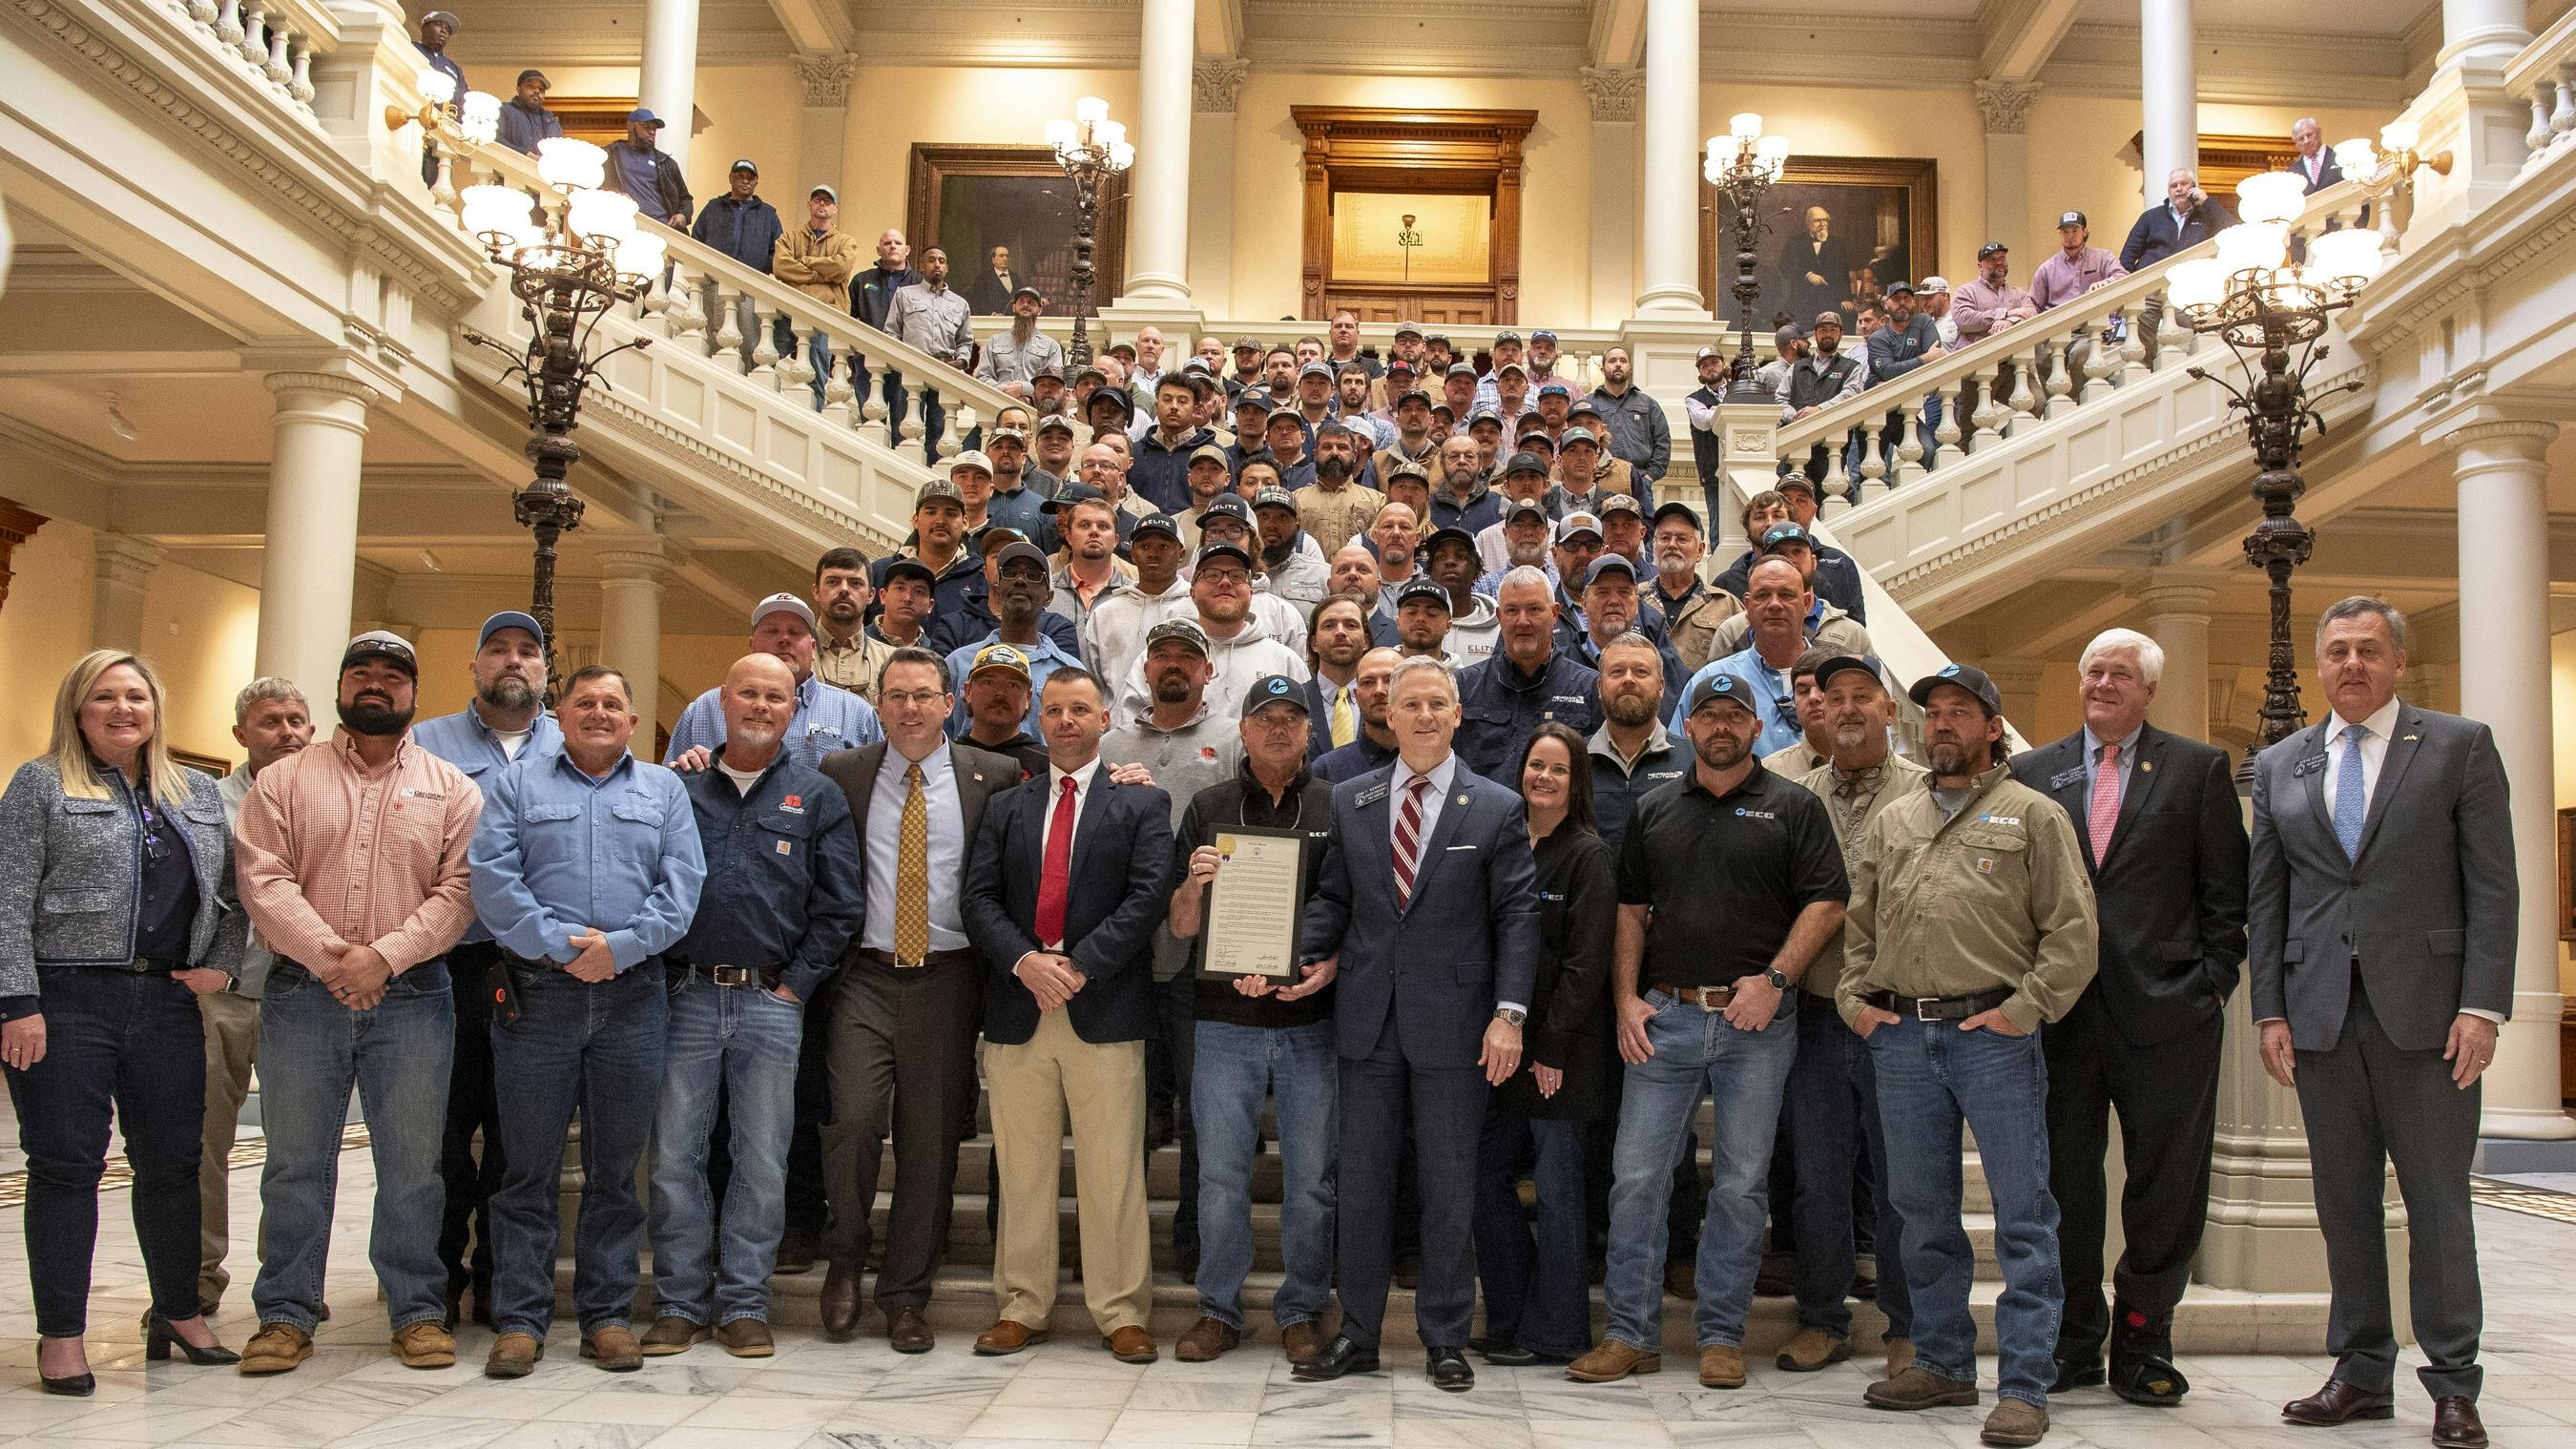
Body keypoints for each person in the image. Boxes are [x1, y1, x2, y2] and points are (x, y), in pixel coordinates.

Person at [2250, 597, 2511, 1449]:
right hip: (2320, 1017)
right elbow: (2269, 897)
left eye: (2368, 649)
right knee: (2344, 1204)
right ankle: (2361, 1371)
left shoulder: (2458, 746)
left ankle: (2454, 1383)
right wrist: (2269, 1008)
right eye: (2337, 651)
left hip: (2432, 1021)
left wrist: (2482, 1005)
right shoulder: (2282, 762)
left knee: (2438, 1205)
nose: (2352, 663)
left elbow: (2493, 886)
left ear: (2398, 661)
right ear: (2320, 665)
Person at [1839, 662, 2097, 1449]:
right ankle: (1943, 1361)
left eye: (1960, 710)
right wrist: (1854, 999)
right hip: (1901, 1038)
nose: (1943, 722)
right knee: (1920, 1214)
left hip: (1994, 1039)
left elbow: (2074, 932)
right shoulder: (1896, 818)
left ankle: (2024, 1385)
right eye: (1934, 711)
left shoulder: (2035, 814)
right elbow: (1860, 922)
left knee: (2023, 1216)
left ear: (1992, 725)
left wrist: (2025, 1009)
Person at [1568, 669, 1847, 1391]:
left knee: (1742, 1185)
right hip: (1666, 1018)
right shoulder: (1655, 807)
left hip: (1758, 1024)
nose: (1721, 726)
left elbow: (1826, 903)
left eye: (1734, 714)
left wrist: (1775, 980)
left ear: (1756, 728)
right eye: (1708, 714)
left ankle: (1722, 1334)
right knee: (1636, 1178)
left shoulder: (1794, 805)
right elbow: (1629, 910)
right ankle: (1631, 1334)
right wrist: (1625, 999)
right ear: (1686, 728)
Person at [232, 631, 483, 1376]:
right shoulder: (284, 781)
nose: (376, 683)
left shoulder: (451, 787)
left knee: (414, 1166)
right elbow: (263, 881)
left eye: (392, 675)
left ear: (414, 693)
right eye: (361, 672)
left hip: (415, 999)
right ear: (341, 687)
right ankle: (285, 1312)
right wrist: (334, 958)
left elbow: (461, 891)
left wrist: (384, 957)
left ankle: (416, 1310)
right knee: (295, 1163)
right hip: (303, 996)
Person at [2008, 628, 2247, 1406]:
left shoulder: (2198, 769)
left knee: (2165, 1186)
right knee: (2064, 1183)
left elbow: (2227, 894)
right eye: (2093, 671)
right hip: (2061, 1017)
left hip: (2170, 1016)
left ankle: (2145, 1341)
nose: (2103, 683)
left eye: (2120, 674)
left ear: (2149, 690)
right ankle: (2075, 1339)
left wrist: (2211, 982)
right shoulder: (2031, 772)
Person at [1293, 655, 1538, 1393]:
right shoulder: (1351, 798)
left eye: (1438, 703)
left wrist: (1509, 1014)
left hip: (1458, 1024)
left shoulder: (1496, 805)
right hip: (1367, 1019)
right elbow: (1334, 899)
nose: (1425, 715)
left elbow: (1518, 916)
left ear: (1458, 714)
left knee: (1449, 1186)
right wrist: (1301, 953)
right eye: (1412, 704)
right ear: (1389, 715)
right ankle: (1358, 1333)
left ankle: (1445, 1337)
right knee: (1363, 1185)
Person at [2, 651, 240, 1394]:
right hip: (66, 998)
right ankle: (62, 1336)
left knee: (173, 1163)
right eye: (103, 695)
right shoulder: (42, 783)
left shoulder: (197, 791)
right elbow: (7, 898)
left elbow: (234, 890)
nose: (122, 708)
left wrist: (222, 964)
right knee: (67, 1167)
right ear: (77, 710)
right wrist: (16, 1002)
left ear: (155, 708)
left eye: (136, 695)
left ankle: (179, 1311)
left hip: (166, 999)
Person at [468, 666, 706, 1378]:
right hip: (538, 996)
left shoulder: (663, 790)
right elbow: (493, 878)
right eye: (585, 703)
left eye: (612, 703)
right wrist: (561, 947)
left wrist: (621, 949)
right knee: (526, 1168)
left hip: (634, 999)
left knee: (615, 1170)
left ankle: (607, 1317)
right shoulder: (517, 785)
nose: (599, 712)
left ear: (632, 720)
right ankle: (520, 1319)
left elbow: (682, 885)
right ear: (560, 715)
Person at [644, 654, 862, 1359]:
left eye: (776, 696)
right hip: (686, 996)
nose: (761, 706)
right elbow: (648, 885)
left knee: (763, 1158)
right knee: (674, 1156)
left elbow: (840, 906)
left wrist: (795, 985)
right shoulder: (677, 790)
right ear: (722, 701)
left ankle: (743, 1302)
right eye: (748, 693)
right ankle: (679, 1302)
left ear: (794, 710)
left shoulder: (817, 795)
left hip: (772, 1000)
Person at [964, 669, 1172, 1363]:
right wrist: (1026, 961)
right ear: (1038, 719)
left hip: (1103, 1005)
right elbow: (979, 899)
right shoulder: (1007, 806)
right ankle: (1022, 1304)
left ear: (1105, 718)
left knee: (1113, 1170)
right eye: (1053, 710)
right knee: (1022, 1169)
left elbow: (1147, 897)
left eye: (1080, 708)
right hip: (1020, 1005)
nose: (1066, 721)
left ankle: (1121, 1312)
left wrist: (1079, 965)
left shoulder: (1142, 803)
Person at [813, 650, 1018, 1351]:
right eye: (896, 695)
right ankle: (845, 1257)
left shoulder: (993, 776)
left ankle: (905, 1294)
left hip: (949, 978)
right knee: (852, 1121)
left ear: (950, 704)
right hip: (863, 975)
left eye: (924, 695)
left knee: (929, 1143)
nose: (910, 708)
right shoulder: (841, 773)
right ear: (878, 705)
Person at [1166, 675, 1340, 1364]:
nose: (1277, 728)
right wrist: (1194, 883)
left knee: (1312, 1180)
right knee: (1218, 1177)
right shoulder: (1209, 806)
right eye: (1264, 717)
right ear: (1242, 729)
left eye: (1291, 717)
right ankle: (1218, 1309)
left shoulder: (1335, 804)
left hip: (1310, 1022)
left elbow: (1351, 907)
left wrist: (1327, 966)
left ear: (1309, 730)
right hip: (1223, 1021)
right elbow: (1182, 925)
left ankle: (1302, 1308)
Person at [411, 612, 562, 1328]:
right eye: (497, 649)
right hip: (449, 967)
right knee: (443, 1138)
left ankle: (504, 1282)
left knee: (518, 1140)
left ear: (545, 670)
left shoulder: (575, 743)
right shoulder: (424, 744)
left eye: (527, 651)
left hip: (541, 971)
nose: (513, 660)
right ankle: (436, 1284)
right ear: (474, 666)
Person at [1783, 655, 1924, 1377]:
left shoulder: (1926, 794)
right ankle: (1821, 1318)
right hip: (1813, 1013)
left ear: (1889, 710)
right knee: (1817, 1179)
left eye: (1862, 696)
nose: (1845, 708)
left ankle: (1908, 1327)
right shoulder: (1795, 796)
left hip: (1894, 1017)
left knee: (1904, 1179)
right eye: (1832, 696)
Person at [1470, 723, 1616, 1368]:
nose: (1545, 777)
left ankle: (1559, 1331)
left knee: (1559, 1192)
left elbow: (1586, 965)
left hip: (1561, 1057)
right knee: (1483, 1177)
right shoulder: (1502, 845)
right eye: (1537, 765)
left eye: (1559, 769)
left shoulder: (1588, 855)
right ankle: (1511, 1318)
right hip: (1497, 1051)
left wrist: (1550, 1048)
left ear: (1577, 781)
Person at [197, 678, 312, 1318]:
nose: (287, 731)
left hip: (303, 993)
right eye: (271, 721)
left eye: (297, 720)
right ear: (241, 733)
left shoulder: (328, 801)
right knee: (202, 1142)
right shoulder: (207, 805)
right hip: (224, 992)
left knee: (298, 1148)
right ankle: (195, 1277)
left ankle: (290, 1281)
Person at [670, 594, 885, 776]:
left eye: (795, 632)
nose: (784, 639)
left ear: (813, 649)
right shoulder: (703, 710)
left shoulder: (856, 713)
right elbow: (669, 787)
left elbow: (877, 789)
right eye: (771, 631)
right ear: (752, 645)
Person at [1455, 569, 1601, 784]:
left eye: (1534, 609)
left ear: (1555, 614)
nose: (1523, 621)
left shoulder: (1589, 687)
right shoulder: (1464, 687)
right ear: (1499, 617)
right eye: (1512, 610)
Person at [1672, 556, 1816, 756]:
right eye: (1763, 595)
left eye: (1786, 595)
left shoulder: (1832, 678)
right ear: (1747, 606)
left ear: (1807, 603)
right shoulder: (1710, 679)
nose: (1774, 604)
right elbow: (1679, 758)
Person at [771, 185, 862, 405]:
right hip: (789, 310)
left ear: (834, 209)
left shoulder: (846, 242)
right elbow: (781, 266)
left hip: (823, 315)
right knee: (766, 360)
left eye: (827, 201)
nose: (822, 204)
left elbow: (841, 268)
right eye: (817, 199)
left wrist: (806, 262)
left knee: (817, 375)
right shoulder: (789, 238)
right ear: (809, 205)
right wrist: (820, 275)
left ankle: (816, 413)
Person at [1648, 501, 1739, 672]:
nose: (1672, 545)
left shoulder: (1726, 604)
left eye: (1682, 539)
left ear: (1700, 550)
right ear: (1654, 546)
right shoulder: (1633, 599)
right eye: (1664, 538)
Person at [811, 548, 896, 702]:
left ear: (871, 595)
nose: (844, 589)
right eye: (833, 582)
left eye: (855, 583)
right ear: (816, 591)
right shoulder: (793, 654)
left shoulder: (892, 662)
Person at [1315, 646, 1403, 783]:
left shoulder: (1433, 761)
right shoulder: (1327, 770)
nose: (1379, 690)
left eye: (1390, 680)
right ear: (1356, 695)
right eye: (1367, 682)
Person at [2120, 168, 2237, 272]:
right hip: (2151, 281)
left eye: (2184, 184)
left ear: (2193, 186)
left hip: (2192, 278)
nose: (2179, 189)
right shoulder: (2150, 217)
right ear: (2169, 191)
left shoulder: (2207, 215)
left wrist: (2207, 201)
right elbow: (2128, 254)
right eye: (2174, 186)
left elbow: (2232, 230)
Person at [1588, 345, 1670, 486]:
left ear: (1630, 369)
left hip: (1639, 481)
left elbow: (1663, 443)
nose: (1618, 364)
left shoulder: (1648, 404)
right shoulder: (1589, 403)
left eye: (1623, 361)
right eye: (1612, 361)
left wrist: (1649, 477)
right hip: (1597, 480)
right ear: (1602, 368)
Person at [600, 109, 690, 228]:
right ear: (630, 126)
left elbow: (686, 198)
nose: (652, 132)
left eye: (654, 129)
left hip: (663, 226)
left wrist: (683, 214)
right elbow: (592, 184)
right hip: (626, 223)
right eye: (646, 127)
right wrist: (614, 194)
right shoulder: (611, 154)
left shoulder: (666, 162)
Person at [976, 286, 1066, 399]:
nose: (1025, 305)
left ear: (1039, 310)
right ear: (1014, 307)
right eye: (1021, 301)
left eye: (1031, 302)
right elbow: (983, 378)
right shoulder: (994, 342)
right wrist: (1005, 390)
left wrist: (1023, 388)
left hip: (1034, 406)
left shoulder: (1051, 346)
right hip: (998, 403)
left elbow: (1054, 384)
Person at [494, 69, 562, 155]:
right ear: (518, 89)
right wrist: (526, 154)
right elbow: (497, 140)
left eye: (541, 89)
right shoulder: (504, 110)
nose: (537, 91)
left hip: (542, 164)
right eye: (530, 86)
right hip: (510, 163)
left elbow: (557, 148)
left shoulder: (549, 117)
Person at [963, 243, 1017, 315]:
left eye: (1007, 256)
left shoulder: (1015, 277)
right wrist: (992, 314)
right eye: (1001, 256)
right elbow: (978, 301)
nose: (1005, 259)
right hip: (991, 319)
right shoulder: (982, 278)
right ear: (993, 260)